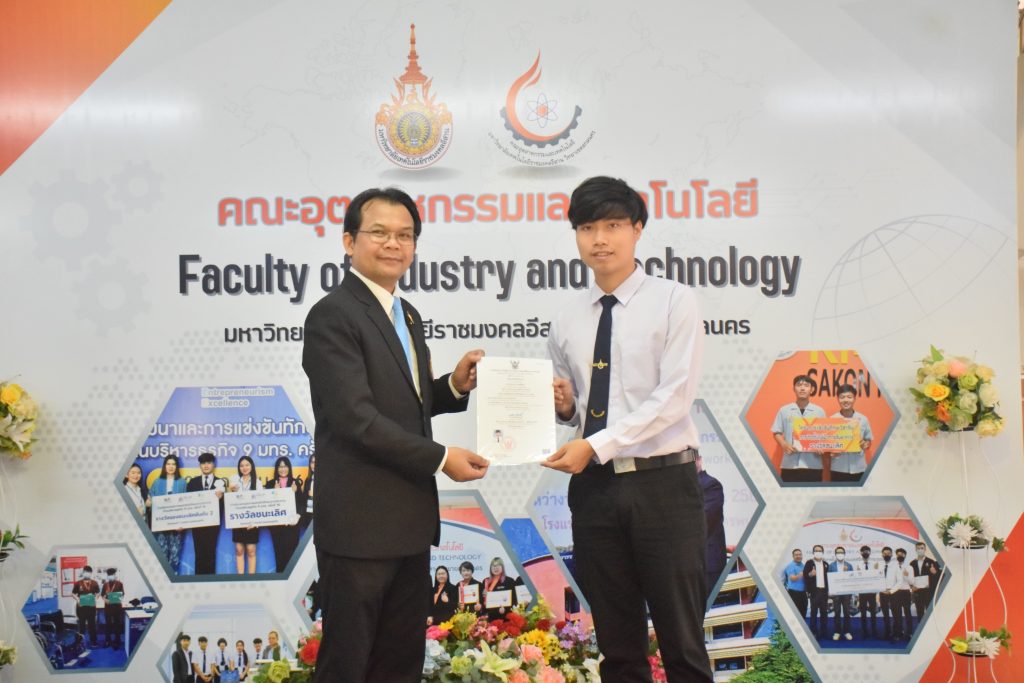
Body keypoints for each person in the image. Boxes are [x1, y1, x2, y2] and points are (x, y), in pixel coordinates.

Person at [302, 186, 489, 682]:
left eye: (405, 235)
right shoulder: (333, 315)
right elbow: (357, 420)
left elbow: (404, 404)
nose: (393, 244)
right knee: (348, 666)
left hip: (408, 524)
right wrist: (442, 457)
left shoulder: (405, 314)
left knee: (400, 665)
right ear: (349, 242)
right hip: (360, 528)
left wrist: (453, 386)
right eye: (379, 233)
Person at [545, 176, 711, 681]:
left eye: (613, 226)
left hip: (663, 486)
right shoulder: (566, 317)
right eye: (587, 228)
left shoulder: (674, 300)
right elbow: (577, 408)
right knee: (617, 649)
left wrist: (594, 444)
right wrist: (565, 408)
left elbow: (674, 398)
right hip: (594, 490)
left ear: (637, 229)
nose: (600, 239)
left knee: (682, 645)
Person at [772, 375, 827, 482]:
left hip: (813, 465)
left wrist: (821, 446)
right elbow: (776, 432)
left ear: (812, 389)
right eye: (799, 385)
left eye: (806, 385)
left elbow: (826, 435)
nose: (802, 388)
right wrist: (783, 444)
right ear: (794, 389)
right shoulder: (784, 410)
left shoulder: (819, 411)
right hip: (790, 465)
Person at [186, 452, 224, 575]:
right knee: (198, 553)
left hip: (213, 524)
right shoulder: (192, 482)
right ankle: (198, 580)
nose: (206, 465)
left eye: (209, 462)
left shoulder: (220, 483)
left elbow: (225, 506)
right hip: (197, 524)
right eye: (203, 463)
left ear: (213, 465)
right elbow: (187, 504)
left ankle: (210, 580)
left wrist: (222, 498)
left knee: (211, 553)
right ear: (200, 466)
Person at [264, 456, 304, 573]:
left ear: (289, 468)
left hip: (292, 526)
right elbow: (266, 505)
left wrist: (297, 516)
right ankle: (280, 578)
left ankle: (293, 580)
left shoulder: (295, 483)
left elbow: (301, 503)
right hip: (277, 528)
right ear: (277, 469)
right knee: (279, 554)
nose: (283, 469)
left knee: (292, 555)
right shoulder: (270, 483)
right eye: (280, 467)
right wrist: (274, 492)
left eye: (285, 466)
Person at [829, 384, 873, 483]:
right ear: (838, 399)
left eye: (849, 397)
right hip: (838, 469)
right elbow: (827, 444)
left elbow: (868, 440)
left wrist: (866, 444)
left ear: (854, 399)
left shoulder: (863, 419)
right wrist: (831, 451)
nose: (846, 400)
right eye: (842, 397)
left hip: (859, 468)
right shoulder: (831, 420)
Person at [150, 454, 188, 571]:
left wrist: (182, 523)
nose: (171, 467)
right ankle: (161, 578)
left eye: (173, 464)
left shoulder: (181, 482)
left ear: (177, 467)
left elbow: (186, 505)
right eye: (168, 464)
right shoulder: (157, 482)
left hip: (176, 525)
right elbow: (151, 500)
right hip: (161, 525)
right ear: (164, 466)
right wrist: (148, 502)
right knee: (161, 554)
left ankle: (173, 577)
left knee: (175, 555)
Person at [697, 453, 726, 597]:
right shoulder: (674, 489)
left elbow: (702, 522)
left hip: (708, 564)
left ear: (699, 460)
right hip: (685, 567)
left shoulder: (710, 485)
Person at [229, 456, 260, 574]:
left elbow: (261, 504)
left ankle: (251, 579)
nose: (244, 468)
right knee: (239, 550)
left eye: (247, 465)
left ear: (251, 466)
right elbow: (230, 503)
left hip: (252, 522)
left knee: (251, 550)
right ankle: (240, 578)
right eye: (242, 466)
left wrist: (255, 522)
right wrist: (231, 491)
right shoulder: (234, 481)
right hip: (238, 520)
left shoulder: (257, 482)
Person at [910, 541, 941, 627]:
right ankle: (921, 628)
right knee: (919, 612)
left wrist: (935, 573)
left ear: (925, 549)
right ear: (916, 550)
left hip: (929, 592)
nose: (920, 550)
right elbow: (910, 578)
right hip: (917, 592)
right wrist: (912, 586)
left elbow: (939, 577)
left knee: (930, 612)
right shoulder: (912, 563)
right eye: (918, 548)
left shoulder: (931, 562)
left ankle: (931, 628)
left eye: (922, 548)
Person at [887, 547, 914, 642]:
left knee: (907, 613)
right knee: (896, 614)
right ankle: (897, 633)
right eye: (898, 554)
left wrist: (906, 576)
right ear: (896, 555)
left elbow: (912, 582)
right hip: (895, 592)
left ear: (905, 555)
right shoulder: (892, 567)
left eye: (902, 554)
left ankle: (909, 633)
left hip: (906, 592)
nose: (900, 556)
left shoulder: (909, 567)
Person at [803, 545, 829, 639]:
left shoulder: (826, 564)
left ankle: (824, 632)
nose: (818, 552)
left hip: (824, 592)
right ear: (813, 552)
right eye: (816, 551)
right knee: (813, 613)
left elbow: (829, 578)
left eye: (820, 550)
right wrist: (810, 574)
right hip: (814, 591)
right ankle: (813, 632)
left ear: (822, 552)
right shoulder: (809, 563)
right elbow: (805, 575)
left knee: (824, 613)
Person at [827, 546, 853, 640]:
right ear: (835, 554)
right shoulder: (831, 566)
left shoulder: (849, 565)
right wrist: (829, 591)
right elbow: (828, 579)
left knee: (847, 613)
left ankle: (847, 631)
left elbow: (852, 579)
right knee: (837, 613)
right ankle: (837, 632)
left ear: (844, 554)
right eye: (838, 552)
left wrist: (846, 573)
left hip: (846, 593)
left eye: (841, 552)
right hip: (836, 594)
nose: (840, 554)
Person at [71, 565, 100, 647]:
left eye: (88, 572)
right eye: (85, 572)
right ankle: (80, 642)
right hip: (81, 608)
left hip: (91, 608)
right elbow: (73, 594)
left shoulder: (94, 583)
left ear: (91, 573)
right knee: (81, 626)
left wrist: (95, 599)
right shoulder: (78, 583)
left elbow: (98, 593)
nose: (87, 574)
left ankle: (93, 641)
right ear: (83, 573)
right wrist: (78, 600)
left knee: (92, 625)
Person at [856, 545, 879, 639]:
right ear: (861, 553)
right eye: (863, 551)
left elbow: (877, 578)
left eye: (867, 551)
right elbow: (856, 579)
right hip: (862, 592)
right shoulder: (858, 565)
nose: (865, 553)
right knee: (863, 613)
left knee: (873, 612)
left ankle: (874, 630)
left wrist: (876, 570)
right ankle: (864, 631)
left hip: (872, 592)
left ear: (870, 553)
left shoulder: (874, 564)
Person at [101, 567, 125, 650]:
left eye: (112, 574)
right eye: (109, 575)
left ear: (115, 575)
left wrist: (118, 599)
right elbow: (102, 595)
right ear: (108, 576)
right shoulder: (105, 584)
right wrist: (105, 600)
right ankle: (108, 641)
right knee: (108, 625)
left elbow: (122, 595)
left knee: (117, 625)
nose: (111, 576)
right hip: (108, 607)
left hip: (117, 607)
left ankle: (117, 641)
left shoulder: (119, 584)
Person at [782, 549, 807, 619]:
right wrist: (801, 573)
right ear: (793, 556)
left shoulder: (802, 565)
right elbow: (792, 578)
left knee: (803, 613)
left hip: (803, 593)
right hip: (794, 593)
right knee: (795, 615)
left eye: (800, 554)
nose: (798, 556)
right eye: (796, 555)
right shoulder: (790, 566)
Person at [878, 546, 896, 640]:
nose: (886, 555)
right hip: (882, 593)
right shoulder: (879, 565)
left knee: (895, 613)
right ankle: (887, 632)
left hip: (893, 593)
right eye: (885, 554)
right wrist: (880, 589)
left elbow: (899, 580)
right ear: (882, 555)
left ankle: (895, 632)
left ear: (892, 554)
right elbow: (876, 579)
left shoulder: (896, 565)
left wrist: (891, 590)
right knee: (885, 614)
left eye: (888, 553)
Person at [299, 454, 316, 535]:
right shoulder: (308, 479)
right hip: (309, 516)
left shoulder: (326, 479)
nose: (313, 465)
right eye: (312, 462)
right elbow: (304, 499)